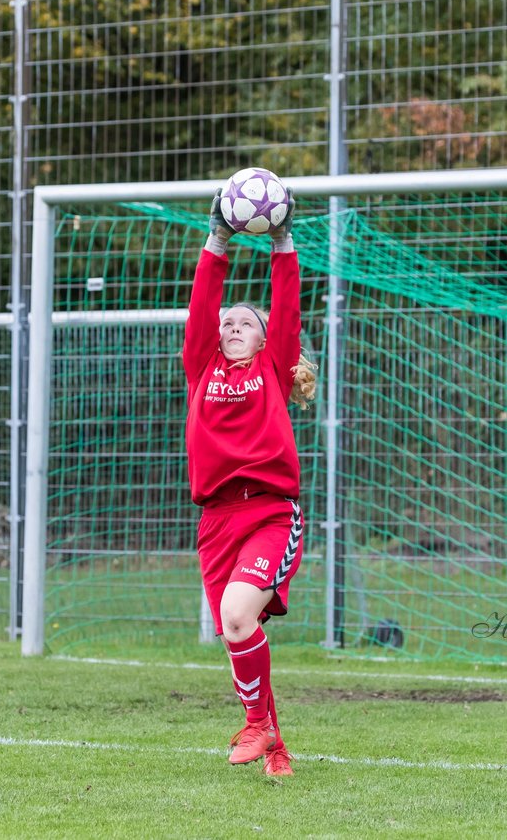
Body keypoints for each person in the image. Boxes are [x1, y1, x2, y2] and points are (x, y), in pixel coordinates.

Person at [182, 188, 317, 778]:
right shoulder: (202, 368)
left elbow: (285, 306)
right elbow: (201, 305)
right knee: (238, 631)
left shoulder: (272, 367)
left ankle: (259, 725)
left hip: (268, 513)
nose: (233, 325)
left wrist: (281, 242)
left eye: (246, 322)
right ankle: (277, 746)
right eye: (226, 322)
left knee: (238, 616)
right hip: (215, 520)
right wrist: (217, 240)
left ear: (266, 340)